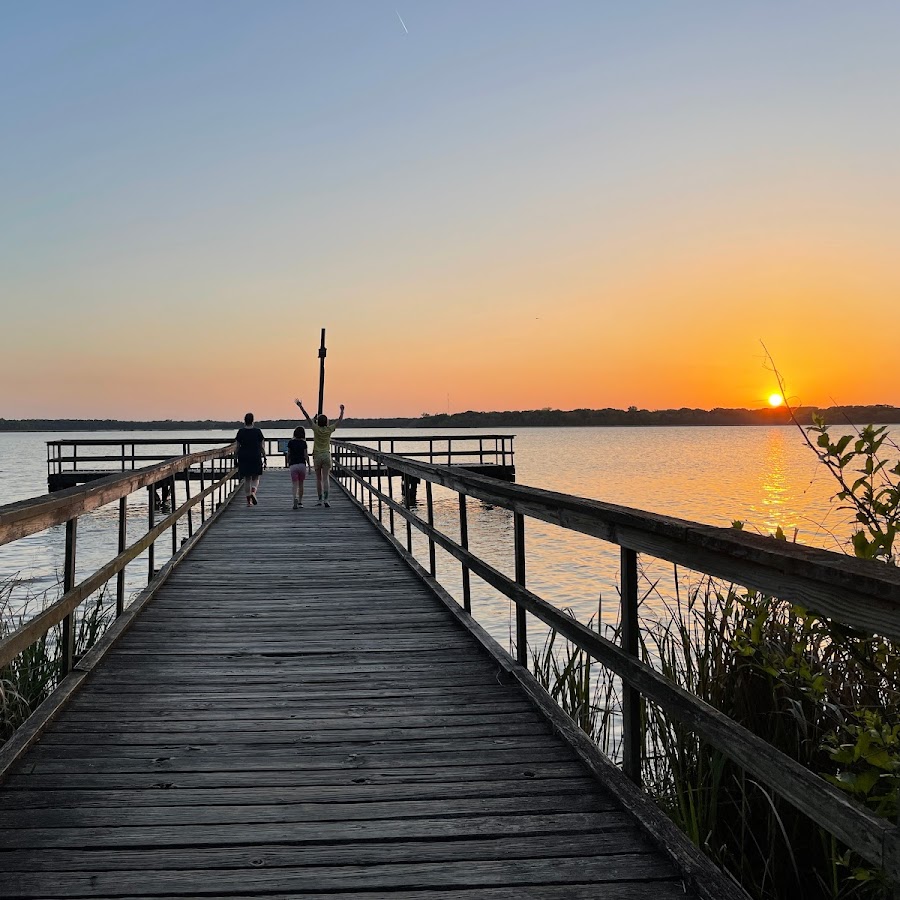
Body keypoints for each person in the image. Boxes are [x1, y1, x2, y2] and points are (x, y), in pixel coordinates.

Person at [294, 399, 344, 507]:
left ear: (318, 422)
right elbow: (339, 421)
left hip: (317, 455)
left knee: (318, 479)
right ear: (326, 422)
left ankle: (319, 499)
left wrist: (300, 406)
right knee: (326, 478)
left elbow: (307, 417)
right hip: (326, 455)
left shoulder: (315, 429)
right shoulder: (329, 429)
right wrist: (342, 411)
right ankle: (326, 499)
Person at [235, 412, 266, 506]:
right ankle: (253, 492)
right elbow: (262, 446)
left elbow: (237, 446)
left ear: (244, 421)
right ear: (253, 421)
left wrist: (235, 457)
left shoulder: (241, 432)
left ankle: (248, 502)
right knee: (256, 477)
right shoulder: (257, 431)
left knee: (247, 479)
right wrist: (264, 456)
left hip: (243, 456)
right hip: (255, 455)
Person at [286, 426, 309, 509]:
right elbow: (305, 455)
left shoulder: (290, 442)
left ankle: (294, 498)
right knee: (301, 484)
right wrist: (309, 466)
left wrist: (288, 462)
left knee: (294, 484)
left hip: (293, 465)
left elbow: (288, 454)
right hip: (302, 465)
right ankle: (300, 502)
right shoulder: (303, 443)